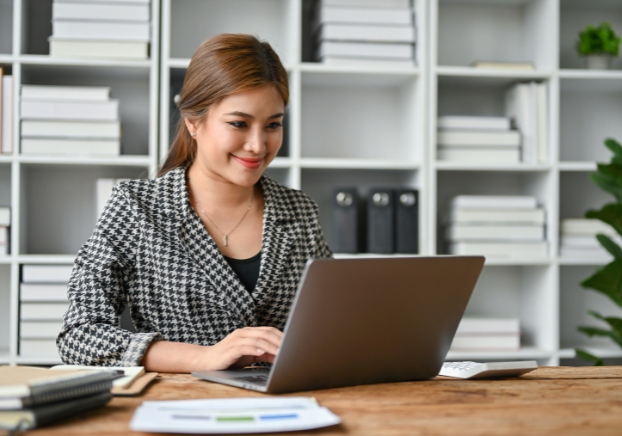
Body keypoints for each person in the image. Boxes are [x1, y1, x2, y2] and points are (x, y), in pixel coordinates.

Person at [57, 34, 333, 372]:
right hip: (182, 406)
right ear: (193, 121)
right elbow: (79, 336)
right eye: (239, 123)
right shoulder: (136, 207)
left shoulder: (300, 211)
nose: (258, 145)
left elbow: (331, 325)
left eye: (273, 125)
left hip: (288, 405)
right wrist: (203, 357)